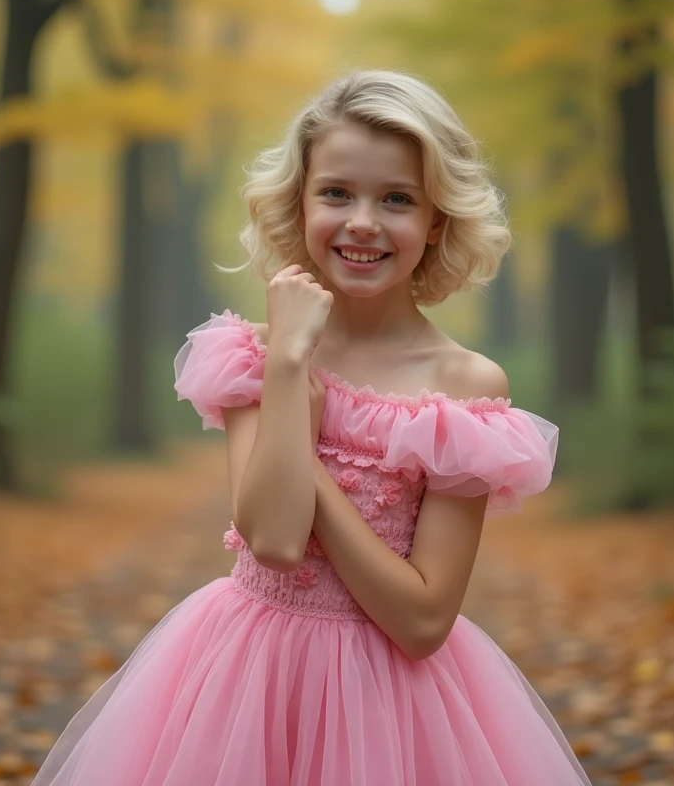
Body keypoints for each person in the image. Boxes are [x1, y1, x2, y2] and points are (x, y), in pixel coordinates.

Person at [31, 70, 591, 786]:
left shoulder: (465, 388)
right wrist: (290, 365)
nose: (362, 221)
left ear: (436, 223)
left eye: (397, 199)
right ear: (299, 206)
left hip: (392, 712)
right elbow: (271, 539)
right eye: (336, 193)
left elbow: (422, 623)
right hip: (240, 686)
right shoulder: (258, 355)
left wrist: (308, 450)